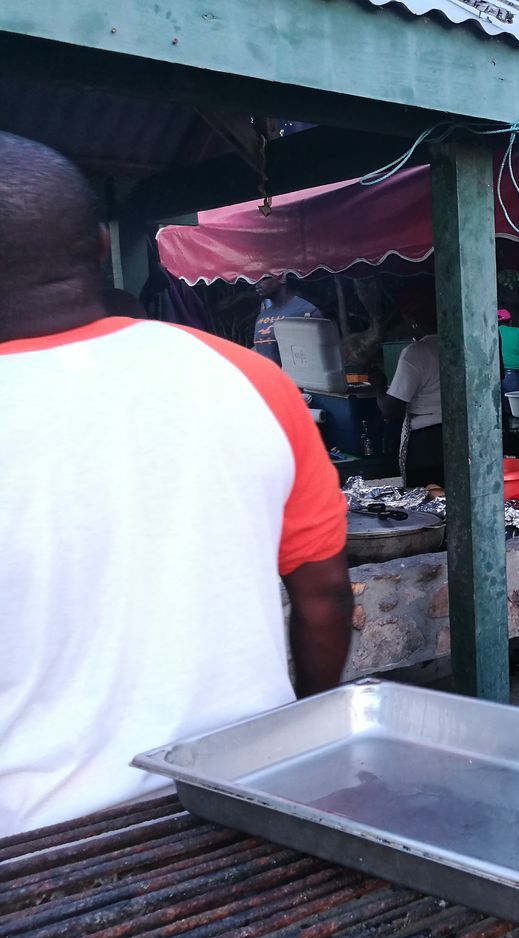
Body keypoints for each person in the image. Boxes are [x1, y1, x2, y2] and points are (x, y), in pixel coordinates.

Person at [0, 133, 354, 837]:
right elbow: (323, 597)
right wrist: (308, 740)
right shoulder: (251, 379)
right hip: (244, 799)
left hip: (30, 845)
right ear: (103, 246)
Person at [372, 283, 444, 487]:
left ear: (411, 319)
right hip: (462, 436)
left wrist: (378, 384)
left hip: (427, 444)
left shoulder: (416, 353)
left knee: (429, 508)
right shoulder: (460, 343)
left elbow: (391, 410)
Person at [253, 273, 323, 365]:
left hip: (298, 377)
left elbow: (320, 350)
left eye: (264, 278)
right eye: (256, 280)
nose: (257, 284)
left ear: (282, 279)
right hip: (269, 377)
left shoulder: (305, 310)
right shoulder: (262, 316)